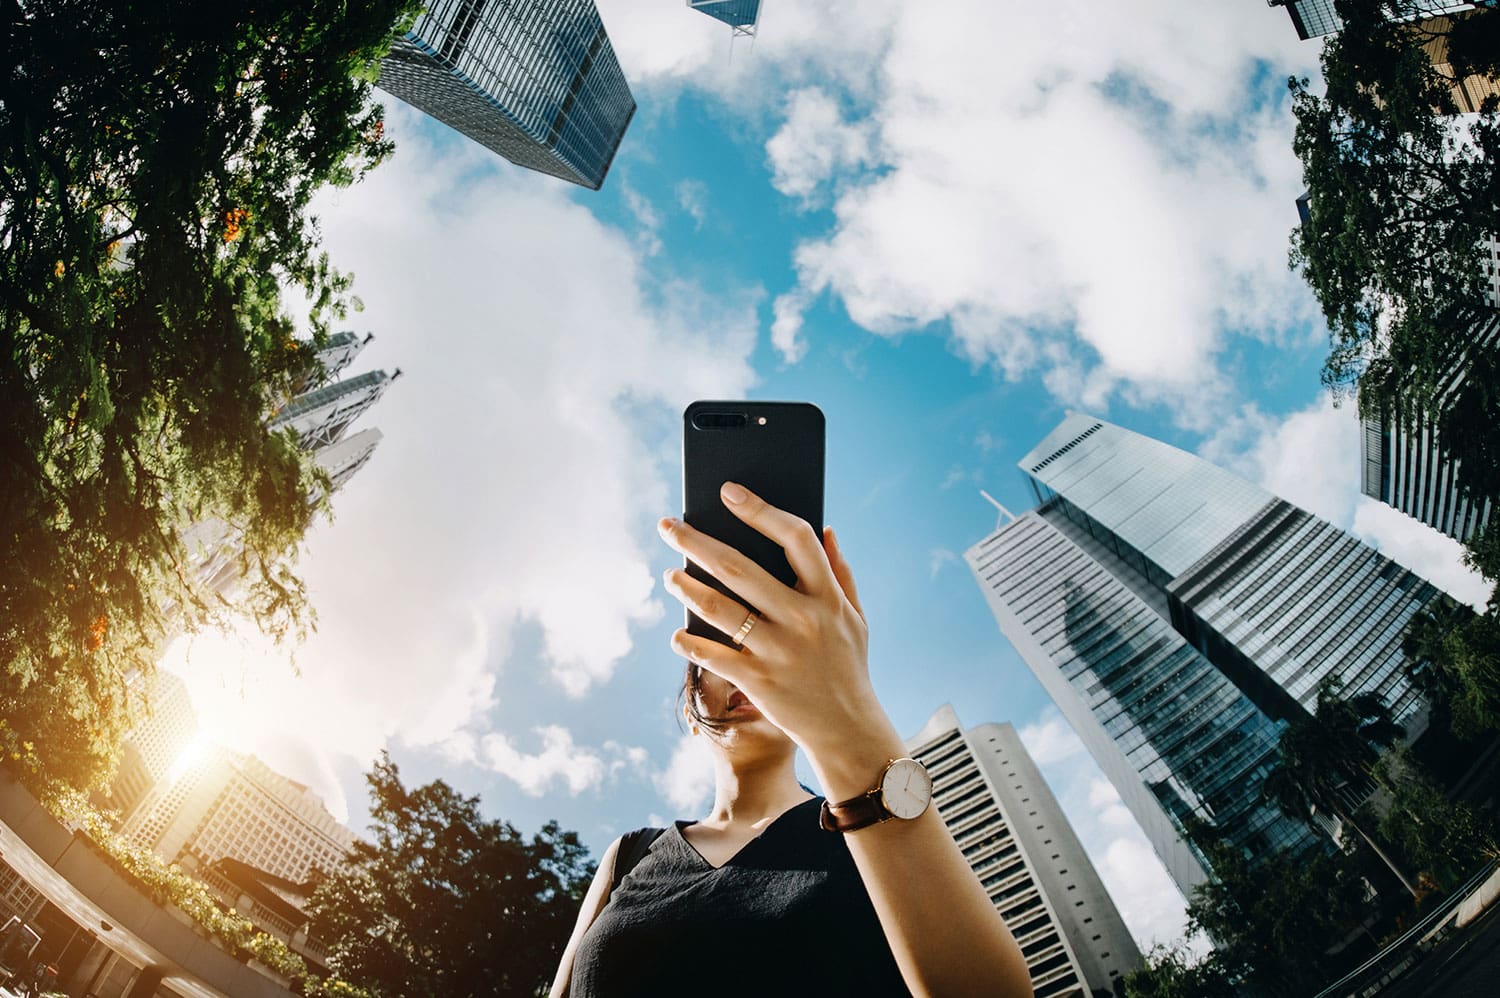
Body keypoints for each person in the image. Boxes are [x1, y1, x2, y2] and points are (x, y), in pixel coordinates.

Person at [550, 482, 1032, 997]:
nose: (744, 669)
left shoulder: (871, 829)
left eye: (760, 647)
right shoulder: (629, 855)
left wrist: (848, 714)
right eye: (718, 652)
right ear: (690, 713)